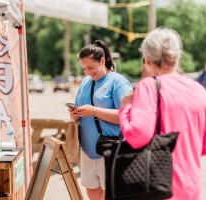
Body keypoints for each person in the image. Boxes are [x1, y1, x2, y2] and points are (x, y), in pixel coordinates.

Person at [119, 28, 206, 200]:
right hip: (191, 189)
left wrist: (125, 108)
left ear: (148, 60)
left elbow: (137, 136)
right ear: (177, 57)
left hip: (157, 188)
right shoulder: (198, 90)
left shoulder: (149, 86)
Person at [69, 40, 132, 200]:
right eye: (84, 69)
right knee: (92, 193)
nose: (88, 72)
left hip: (110, 151)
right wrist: (75, 114)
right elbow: (81, 109)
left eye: (91, 67)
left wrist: (93, 111)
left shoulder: (117, 82)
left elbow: (126, 116)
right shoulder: (85, 82)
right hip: (87, 151)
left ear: (102, 61)